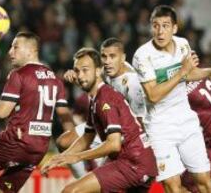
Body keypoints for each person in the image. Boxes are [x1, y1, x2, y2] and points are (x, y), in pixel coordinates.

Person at [132, 5, 211, 193]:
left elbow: (190, 75)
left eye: (165, 25)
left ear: (174, 28)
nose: (160, 31)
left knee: (204, 182)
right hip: (160, 128)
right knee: (173, 187)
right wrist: (182, 71)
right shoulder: (143, 56)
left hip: (187, 122)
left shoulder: (182, 44)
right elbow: (153, 95)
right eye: (155, 25)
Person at [0, 31, 74, 193]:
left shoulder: (19, 75)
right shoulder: (55, 80)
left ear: (31, 51)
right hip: (39, 149)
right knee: (6, 189)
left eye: (15, 47)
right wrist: (72, 151)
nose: (10, 52)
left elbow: (2, 111)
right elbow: (66, 120)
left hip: (16, 142)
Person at [41, 48, 158, 193]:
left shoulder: (104, 99)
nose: (80, 76)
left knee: (71, 191)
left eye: (85, 70)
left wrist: (76, 157)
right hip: (139, 161)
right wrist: (60, 158)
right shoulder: (95, 100)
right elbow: (87, 137)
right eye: (77, 71)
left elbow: (113, 144)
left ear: (98, 71)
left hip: (132, 162)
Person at [57, 37, 146, 177]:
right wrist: (78, 78)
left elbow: (141, 121)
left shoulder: (132, 84)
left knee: (103, 176)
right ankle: (82, 180)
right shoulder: (106, 70)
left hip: (127, 134)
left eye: (112, 56)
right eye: (104, 56)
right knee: (64, 142)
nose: (107, 61)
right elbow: (94, 85)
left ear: (122, 58)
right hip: (109, 122)